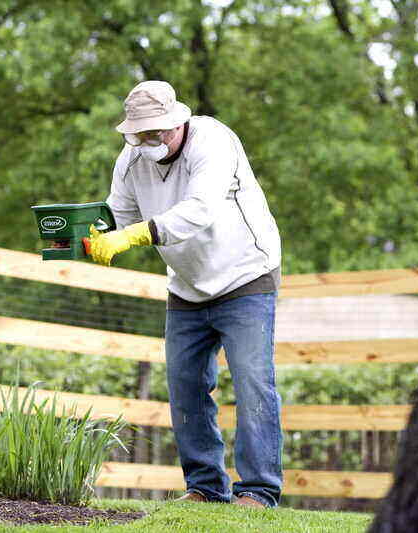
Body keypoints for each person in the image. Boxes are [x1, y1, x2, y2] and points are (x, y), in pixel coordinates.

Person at [87, 80, 282, 508]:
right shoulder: (131, 159)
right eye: (139, 134)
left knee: (252, 383)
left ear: (177, 122)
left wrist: (134, 236)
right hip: (187, 284)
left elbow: (199, 209)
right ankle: (206, 487)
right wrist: (86, 234)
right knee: (184, 385)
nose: (148, 141)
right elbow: (118, 213)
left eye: (155, 132)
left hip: (245, 274)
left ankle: (259, 490)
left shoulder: (213, 142)